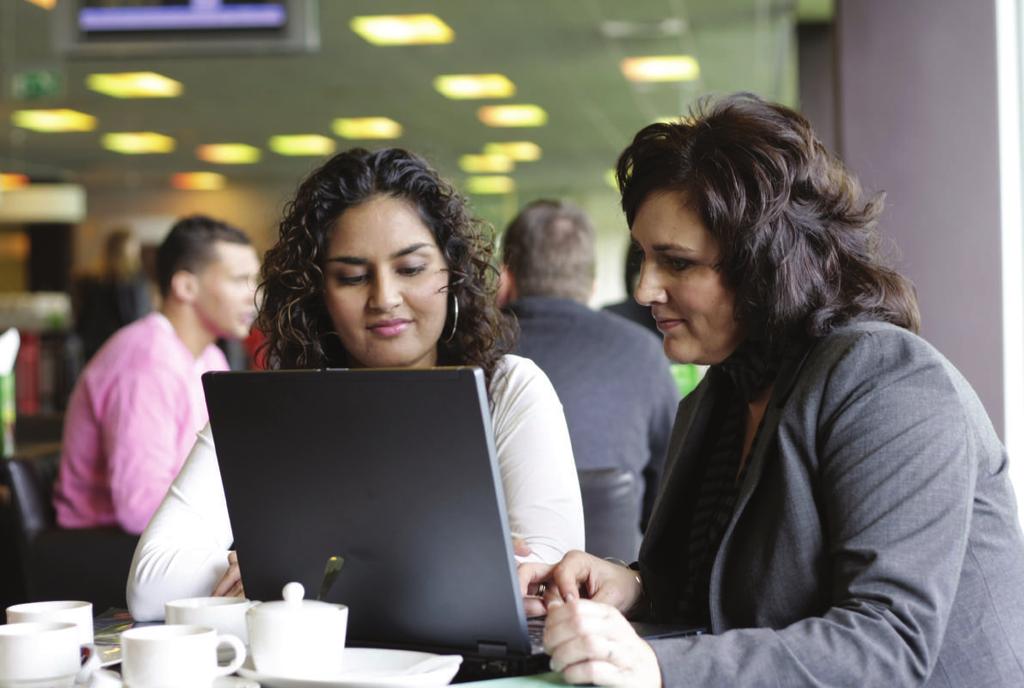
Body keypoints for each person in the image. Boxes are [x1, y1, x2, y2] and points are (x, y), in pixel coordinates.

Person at [518, 93, 1024, 687]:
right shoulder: (724, 392)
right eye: (644, 258)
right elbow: (731, 592)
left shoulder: (890, 380)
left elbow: (888, 645)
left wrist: (657, 666)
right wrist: (634, 586)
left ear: (765, 263)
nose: (646, 288)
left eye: (676, 263)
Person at [126, 148, 585, 621]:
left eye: (410, 269)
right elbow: (150, 582)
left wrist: (295, 571)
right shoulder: (269, 407)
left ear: (453, 273)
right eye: (352, 277)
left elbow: (545, 579)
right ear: (318, 293)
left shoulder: (509, 389)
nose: (385, 298)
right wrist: (443, 561)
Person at [54, 215, 259, 535]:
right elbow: (140, 509)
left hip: (170, 537)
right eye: (239, 280)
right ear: (186, 286)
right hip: (108, 548)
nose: (254, 294)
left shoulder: (209, 357)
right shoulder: (145, 362)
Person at [499, 199, 678, 560]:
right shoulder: (645, 352)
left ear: (508, 278)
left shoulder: (469, 353)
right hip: (611, 595)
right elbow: (668, 502)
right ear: (591, 285)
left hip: (491, 589)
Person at [72, 228, 153, 363]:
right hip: (124, 353)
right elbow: (135, 320)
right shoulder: (132, 283)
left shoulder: (93, 282)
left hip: (95, 352)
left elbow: (81, 324)